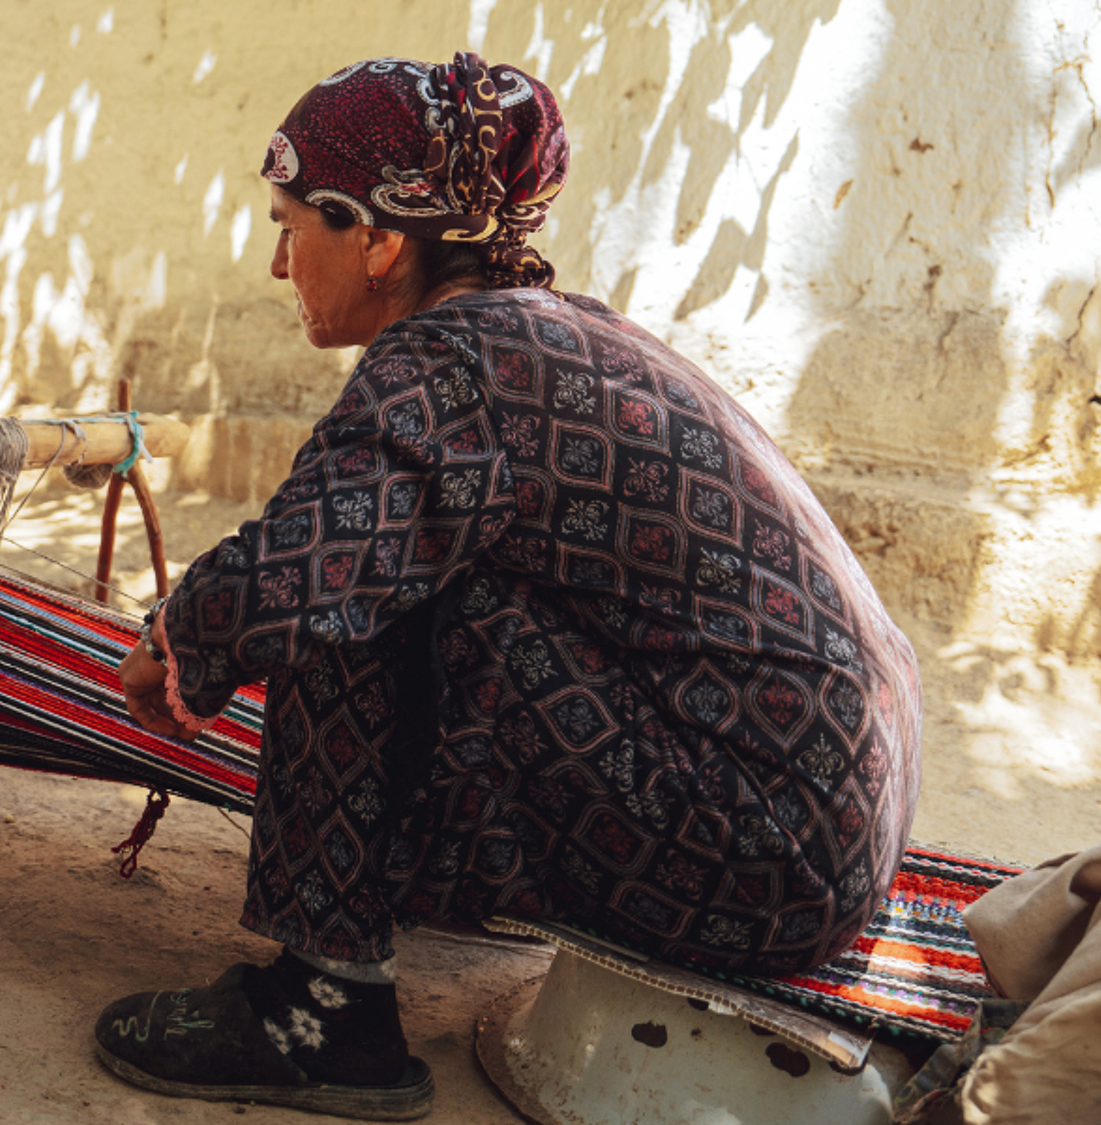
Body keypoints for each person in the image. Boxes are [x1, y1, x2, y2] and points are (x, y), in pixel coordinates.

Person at [93, 53, 922, 1120]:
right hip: (823, 827)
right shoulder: (567, 335)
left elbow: (299, 574)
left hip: (753, 857)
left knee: (357, 586)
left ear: (378, 238)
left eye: (289, 223)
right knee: (397, 555)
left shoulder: (447, 362)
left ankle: (319, 1013)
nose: (274, 262)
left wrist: (176, 641)